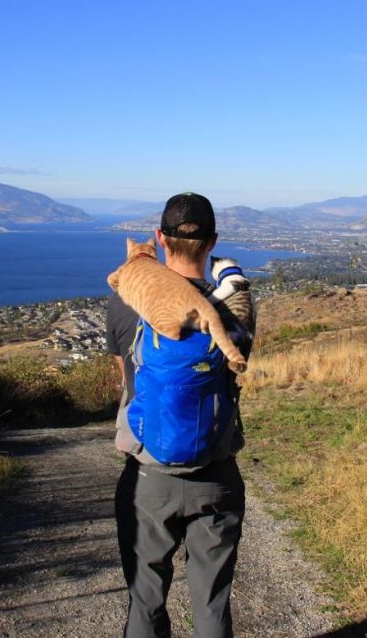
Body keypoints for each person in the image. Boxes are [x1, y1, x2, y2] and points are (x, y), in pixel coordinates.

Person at [106, 192, 248, 638]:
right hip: (216, 475)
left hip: (148, 479)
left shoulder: (126, 301)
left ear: (159, 240)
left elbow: (125, 379)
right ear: (212, 242)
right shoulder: (232, 312)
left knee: (145, 601)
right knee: (212, 603)